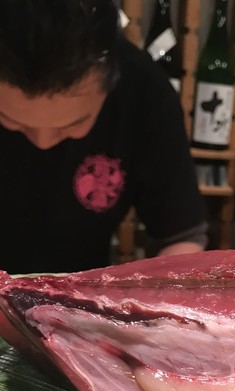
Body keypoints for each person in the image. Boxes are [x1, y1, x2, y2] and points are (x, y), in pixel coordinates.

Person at [0, 0, 207, 274]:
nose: (43, 141)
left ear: (110, 81)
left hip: (81, 291)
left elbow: (181, 236)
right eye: (14, 122)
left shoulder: (145, 91)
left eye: (73, 124)